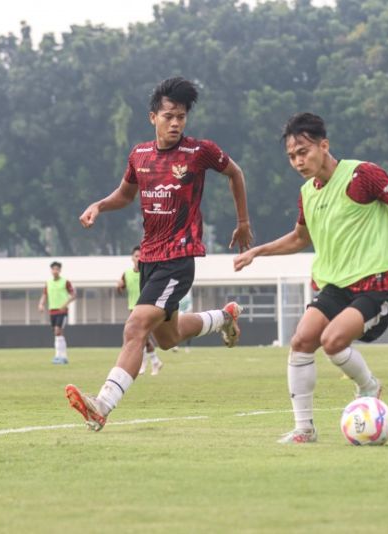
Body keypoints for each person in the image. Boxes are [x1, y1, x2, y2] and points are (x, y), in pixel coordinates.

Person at [65, 77, 254, 431]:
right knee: (167, 338)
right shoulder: (139, 155)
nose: (176, 123)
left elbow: (235, 173)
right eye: (169, 116)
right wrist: (98, 206)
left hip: (178, 259)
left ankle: (102, 405)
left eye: (181, 116)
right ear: (153, 117)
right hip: (150, 258)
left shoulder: (200, 153)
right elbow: (125, 195)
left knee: (136, 326)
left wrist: (243, 222)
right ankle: (225, 317)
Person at [233, 112, 388, 444]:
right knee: (301, 341)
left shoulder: (362, 175)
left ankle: (369, 387)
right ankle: (304, 430)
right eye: (291, 156)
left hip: (378, 283)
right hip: (337, 286)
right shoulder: (307, 193)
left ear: (324, 146)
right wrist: (258, 251)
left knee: (333, 341)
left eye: (304, 152)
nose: (298, 161)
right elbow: (300, 239)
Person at [116, 246, 163, 375]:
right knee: (141, 338)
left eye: (140, 256)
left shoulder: (148, 273)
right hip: (132, 308)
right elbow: (121, 290)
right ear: (132, 258)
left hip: (145, 308)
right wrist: (119, 287)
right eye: (136, 256)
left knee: (141, 337)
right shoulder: (126, 274)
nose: (138, 258)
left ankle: (146, 364)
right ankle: (155, 362)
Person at [38, 261, 76, 364]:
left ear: (60, 270)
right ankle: (60, 356)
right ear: (51, 270)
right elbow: (45, 295)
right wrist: (41, 304)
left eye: (57, 269)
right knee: (57, 333)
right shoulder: (48, 283)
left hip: (62, 311)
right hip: (52, 311)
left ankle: (60, 356)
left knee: (58, 330)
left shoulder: (65, 282)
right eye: (53, 269)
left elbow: (73, 295)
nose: (55, 271)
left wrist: (65, 304)